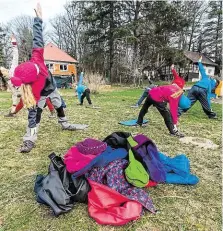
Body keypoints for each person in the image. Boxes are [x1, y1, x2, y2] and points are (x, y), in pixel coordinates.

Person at [11, 3, 85, 153]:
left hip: (52, 88)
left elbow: (37, 38)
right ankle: (30, 139)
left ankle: (64, 123)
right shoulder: (32, 91)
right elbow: (31, 116)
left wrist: (38, 19)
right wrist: (29, 140)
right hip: (41, 95)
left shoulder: (36, 58)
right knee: (35, 115)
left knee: (59, 104)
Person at [136, 68, 185, 138]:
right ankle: (173, 131)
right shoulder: (177, 93)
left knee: (144, 108)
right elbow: (173, 110)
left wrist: (173, 69)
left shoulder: (172, 86)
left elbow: (176, 76)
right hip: (158, 98)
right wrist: (175, 123)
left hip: (151, 93)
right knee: (167, 115)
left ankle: (139, 123)